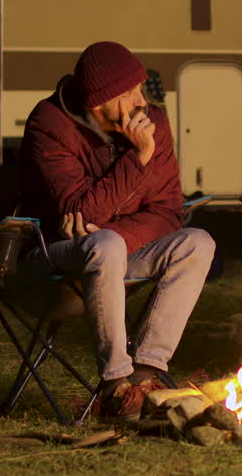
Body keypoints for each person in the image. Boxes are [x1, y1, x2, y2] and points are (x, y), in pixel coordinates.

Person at [17, 41, 215, 420]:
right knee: (103, 245)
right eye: (130, 92)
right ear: (99, 101)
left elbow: (168, 213)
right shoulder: (50, 123)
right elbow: (78, 211)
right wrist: (138, 158)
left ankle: (145, 373)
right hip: (52, 261)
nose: (142, 101)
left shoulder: (152, 122)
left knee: (197, 242)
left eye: (140, 88)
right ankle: (116, 385)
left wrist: (104, 228)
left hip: (108, 255)